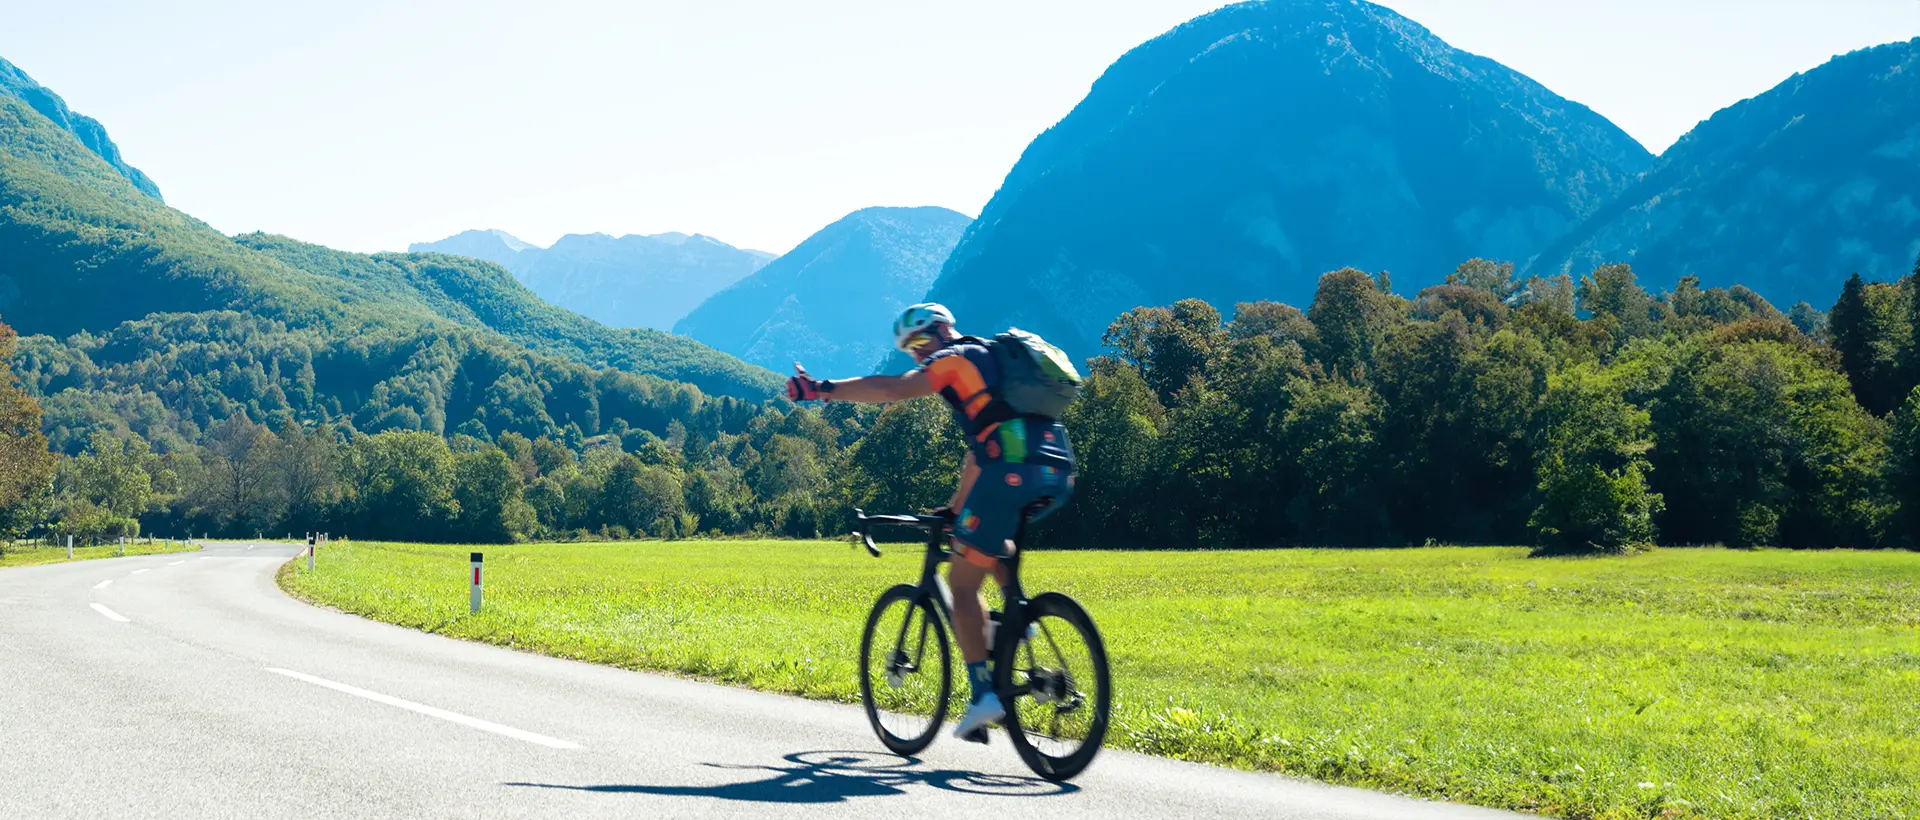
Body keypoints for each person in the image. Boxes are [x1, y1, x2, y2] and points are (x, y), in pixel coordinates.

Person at [786, 303, 1075, 740]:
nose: (918, 356)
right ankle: (1017, 620)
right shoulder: (992, 366)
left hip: (1010, 472)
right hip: (1054, 468)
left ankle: (983, 696)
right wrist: (956, 508)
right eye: (910, 351)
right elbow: (978, 454)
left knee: (961, 583)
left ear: (942, 331)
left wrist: (821, 389)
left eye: (920, 344)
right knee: (987, 543)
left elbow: (890, 391)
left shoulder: (954, 359)